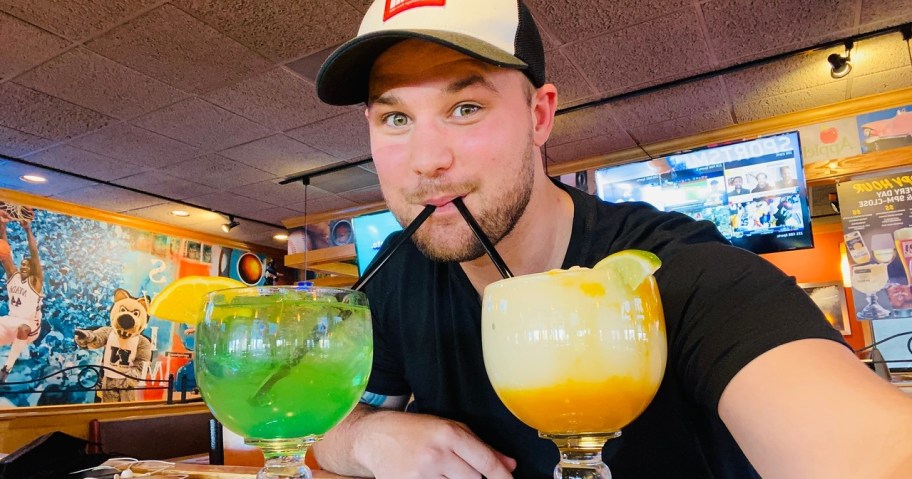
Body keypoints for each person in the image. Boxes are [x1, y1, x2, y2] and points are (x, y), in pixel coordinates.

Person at [311, 1, 912, 477]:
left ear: (540, 116)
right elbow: (315, 425)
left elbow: (868, 450)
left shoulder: (673, 273)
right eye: (395, 118)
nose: (426, 161)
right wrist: (369, 437)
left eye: (466, 107)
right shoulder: (398, 269)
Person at [0, 210, 44, 383]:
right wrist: (3, 225)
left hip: (31, 325)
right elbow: (5, 254)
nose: (24, 266)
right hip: (11, 319)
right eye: (23, 264)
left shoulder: (35, 281)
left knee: (23, 328)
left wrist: (28, 230)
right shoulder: (13, 276)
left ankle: (7, 368)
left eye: (28, 264)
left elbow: (34, 253)